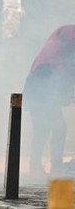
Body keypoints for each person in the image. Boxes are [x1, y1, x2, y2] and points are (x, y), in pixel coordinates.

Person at [23, 25, 75, 176]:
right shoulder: (70, 34)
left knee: (42, 130)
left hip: (36, 87)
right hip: (41, 88)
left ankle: (35, 166)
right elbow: (65, 72)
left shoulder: (62, 37)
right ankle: (54, 167)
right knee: (58, 128)